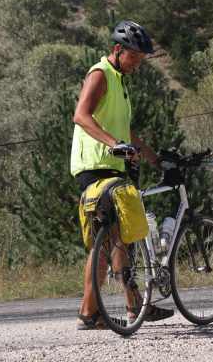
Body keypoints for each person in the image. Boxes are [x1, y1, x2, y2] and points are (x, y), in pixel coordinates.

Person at [70, 20, 173, 330]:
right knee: (108, 244)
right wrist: (115, 145)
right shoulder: (100, 74)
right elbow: (81, 116)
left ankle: (127, 306)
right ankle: (103, 310)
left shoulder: (120, 81)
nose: (138, 65)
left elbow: (125, 131)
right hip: (94, 167)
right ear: (118, 50)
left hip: (112, 167)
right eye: (135, 58)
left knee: (117, 240)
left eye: (142, 60)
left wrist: (154, 158)